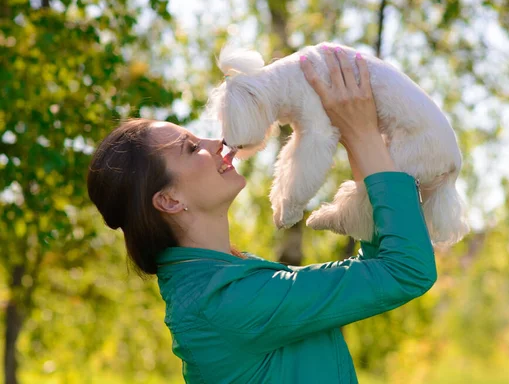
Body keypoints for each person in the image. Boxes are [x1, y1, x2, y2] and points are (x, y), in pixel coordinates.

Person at [87, 46, 437, 383]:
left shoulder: (225, 284)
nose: (217, 143)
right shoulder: (226, 303)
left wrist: (354, 134)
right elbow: (405, 270)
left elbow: (377, 267)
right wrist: (363, 135)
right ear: (168, 200)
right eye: (193, 148)